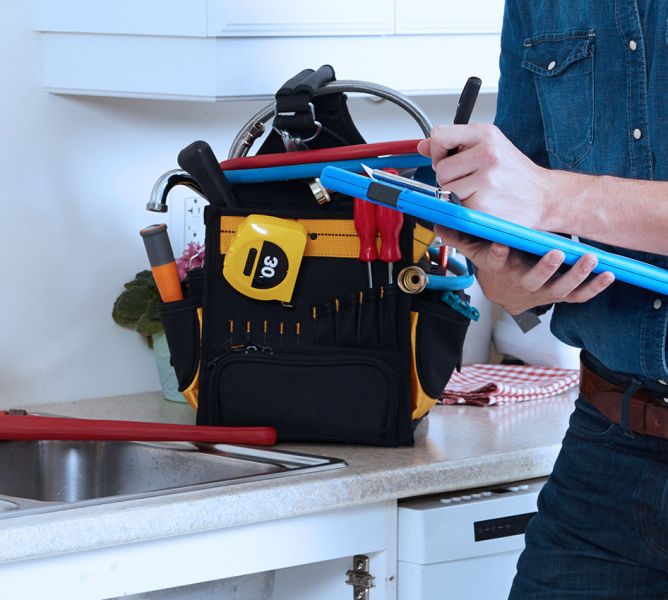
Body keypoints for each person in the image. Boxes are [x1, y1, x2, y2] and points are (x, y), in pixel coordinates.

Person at [417, 1, 668, 598]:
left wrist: (553, 199)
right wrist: (503, 266)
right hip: (609, 454)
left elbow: (544, 194)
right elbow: (515, 259)